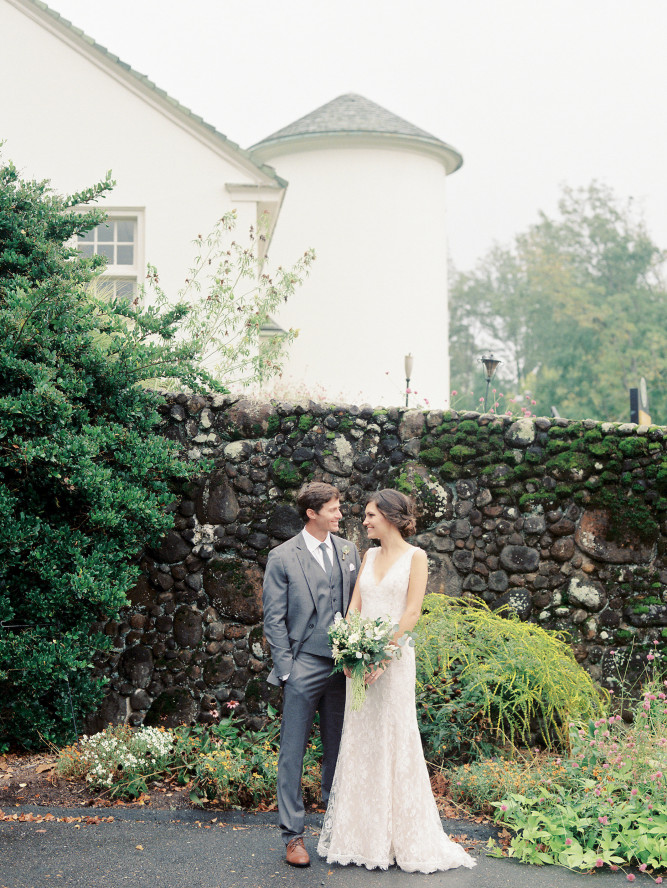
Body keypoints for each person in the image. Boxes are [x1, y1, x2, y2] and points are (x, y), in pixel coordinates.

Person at [317, 489, 476, 873]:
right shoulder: (369, 555)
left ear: (389, 516)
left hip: (394, 662)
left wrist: (383, 655)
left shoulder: (416, 557)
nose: (365, 521)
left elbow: (412, 611)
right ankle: (361, 837)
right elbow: (355, 606)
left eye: (371, 515)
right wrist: (352, 653)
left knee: (394, 738)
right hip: (361, 665)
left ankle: (400, 838)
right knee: (361, 740)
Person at [262, 481, 361, 868]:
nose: (340, 514)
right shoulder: (283, 556)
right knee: (292, 752)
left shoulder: (349, 551)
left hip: (342, 668)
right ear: (312, 513)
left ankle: (335, 829)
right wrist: (286, 669)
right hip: (303, 663)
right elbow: (273, 618)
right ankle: (293, 837)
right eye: (334, 509)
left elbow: (358, 602)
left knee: (339, 750)